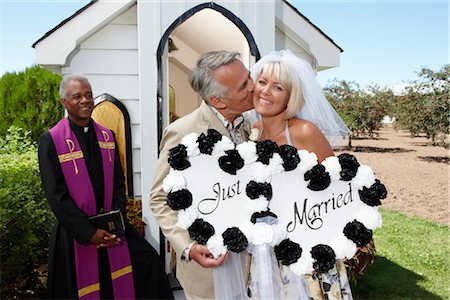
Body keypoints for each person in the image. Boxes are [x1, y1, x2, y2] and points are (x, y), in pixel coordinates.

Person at [38, 74, 173, 299]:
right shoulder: (51, 141)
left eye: (88, 95)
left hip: (110, 227)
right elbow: (55, 195)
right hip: (75, 232)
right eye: (77, 96)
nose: (85, 101)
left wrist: (113, 223)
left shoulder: (107, 136)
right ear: (64, 102)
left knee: (148, 260)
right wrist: (89, 233)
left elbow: (120, 184)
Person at [150, 50, 255, 299]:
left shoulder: (254, 127)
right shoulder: (182, 132)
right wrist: (187, 246)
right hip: (208, 274)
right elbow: (158, 199)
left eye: (249, 77)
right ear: (217, 100)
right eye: (243, 86)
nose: (254, 87)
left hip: (253, 265)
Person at [249, 50, 352, 300]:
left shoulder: (305, 131)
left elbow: (339, 188)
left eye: (277, 87)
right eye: (262, 82)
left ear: (290, 97)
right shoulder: (253, 132)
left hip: (307, 250)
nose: (265, 91)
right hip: (266, 251)